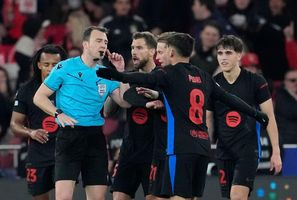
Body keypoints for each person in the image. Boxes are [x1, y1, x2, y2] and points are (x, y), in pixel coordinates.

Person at [96, 32, 269, 199]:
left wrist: (116, 74)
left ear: (172, 52)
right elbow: (229, 98)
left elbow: (144, 78)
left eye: (163, 51)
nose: (159, 56)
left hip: (179, 147)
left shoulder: (168, 73)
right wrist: (255, 113)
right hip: (202, 146)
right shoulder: (204, 76)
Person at [33, 26, 130, 200]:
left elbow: (125, 102)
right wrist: (57, 113)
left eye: (105, 42)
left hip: (95, 138)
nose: (103, 45)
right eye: (98, 41)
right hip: (69, 136)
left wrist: (121, 72)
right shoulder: (65, 67)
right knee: (63, 197)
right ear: (86, 44)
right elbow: (39, 97)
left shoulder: (108, 74)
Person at [207, 35, 282, 199]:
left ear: (239, 55)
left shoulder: (255, 81)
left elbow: (269, 117)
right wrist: (206, 144)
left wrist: (275, 151)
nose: (223, 58)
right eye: (220, 53)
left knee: (237, 196)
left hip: (248, 150)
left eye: (228, 53)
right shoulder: (213, 84)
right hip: (223, 152)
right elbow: (209, 118)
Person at [108, 31, 164, 200]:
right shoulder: (128, 77)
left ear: (152, 51)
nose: (134, 51)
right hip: (129, 151)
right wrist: (118, 75)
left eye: (139, 47)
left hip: (155, 152)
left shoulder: (163, 77)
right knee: (118, 197)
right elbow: (109, 111)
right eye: (132, 47)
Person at [10, 44, 68, 200]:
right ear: (39, 65)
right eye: (46, 64)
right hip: (38, 155)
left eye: (55, 65)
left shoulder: (70, 88)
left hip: (64, 153)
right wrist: (31, 132)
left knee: (63, 196)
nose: (50, 69)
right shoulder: (26, 90)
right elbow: (15, 124)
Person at [275, 69, 297, 144]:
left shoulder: (296, 96)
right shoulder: (280, 95)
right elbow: (291, 112)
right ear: (285, 82)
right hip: (288, 138)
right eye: (293, 80)